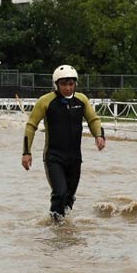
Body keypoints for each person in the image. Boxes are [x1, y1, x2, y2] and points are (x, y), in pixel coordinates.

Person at [22, 65, 106, 221]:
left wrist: (99, 136)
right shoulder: (46, 102)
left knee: (69, 198)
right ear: (56, 84)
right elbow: (31, 126)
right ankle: (54, 229)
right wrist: (26, 153)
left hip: (74, 158)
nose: (68, 88)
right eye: (64, 84)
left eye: (71, 84)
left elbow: (93, 119)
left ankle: (64, 232)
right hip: (54, 157)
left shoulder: (81, 100)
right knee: (59, 193)